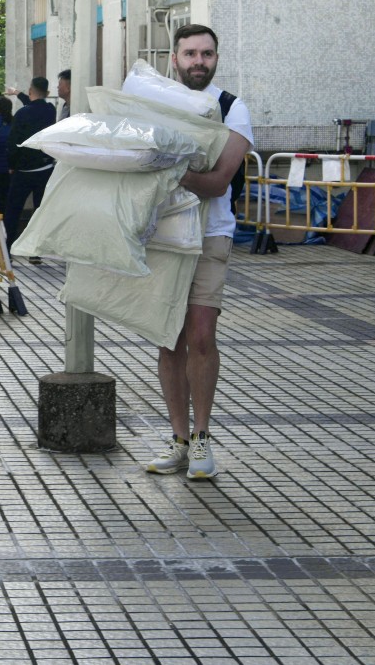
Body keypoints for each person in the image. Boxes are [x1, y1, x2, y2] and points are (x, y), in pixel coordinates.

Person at [144, 24, 253, 480]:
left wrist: (171, 170)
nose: (198, 62)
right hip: (164, 234)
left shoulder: (232, 108)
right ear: (174, 59)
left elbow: (219, 181)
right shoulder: (157, 104)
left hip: (212, 235)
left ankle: (203, 437)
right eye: (190, 54)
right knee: (169, 340)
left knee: (201, 336)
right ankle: (179, 440)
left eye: (207, 53)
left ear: (216, 58)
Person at [4, 77, 56, 258]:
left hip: (23, 171)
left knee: (13, 210)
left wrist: (11, 164)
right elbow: (36, 104)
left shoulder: (22, 114)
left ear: (30, 89)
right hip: (44, 169)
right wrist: (19, 94)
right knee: (40, 211)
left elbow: (13, 142)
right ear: (48, 93)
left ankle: (6, 247)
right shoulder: (50, 111)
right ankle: (36, 251)